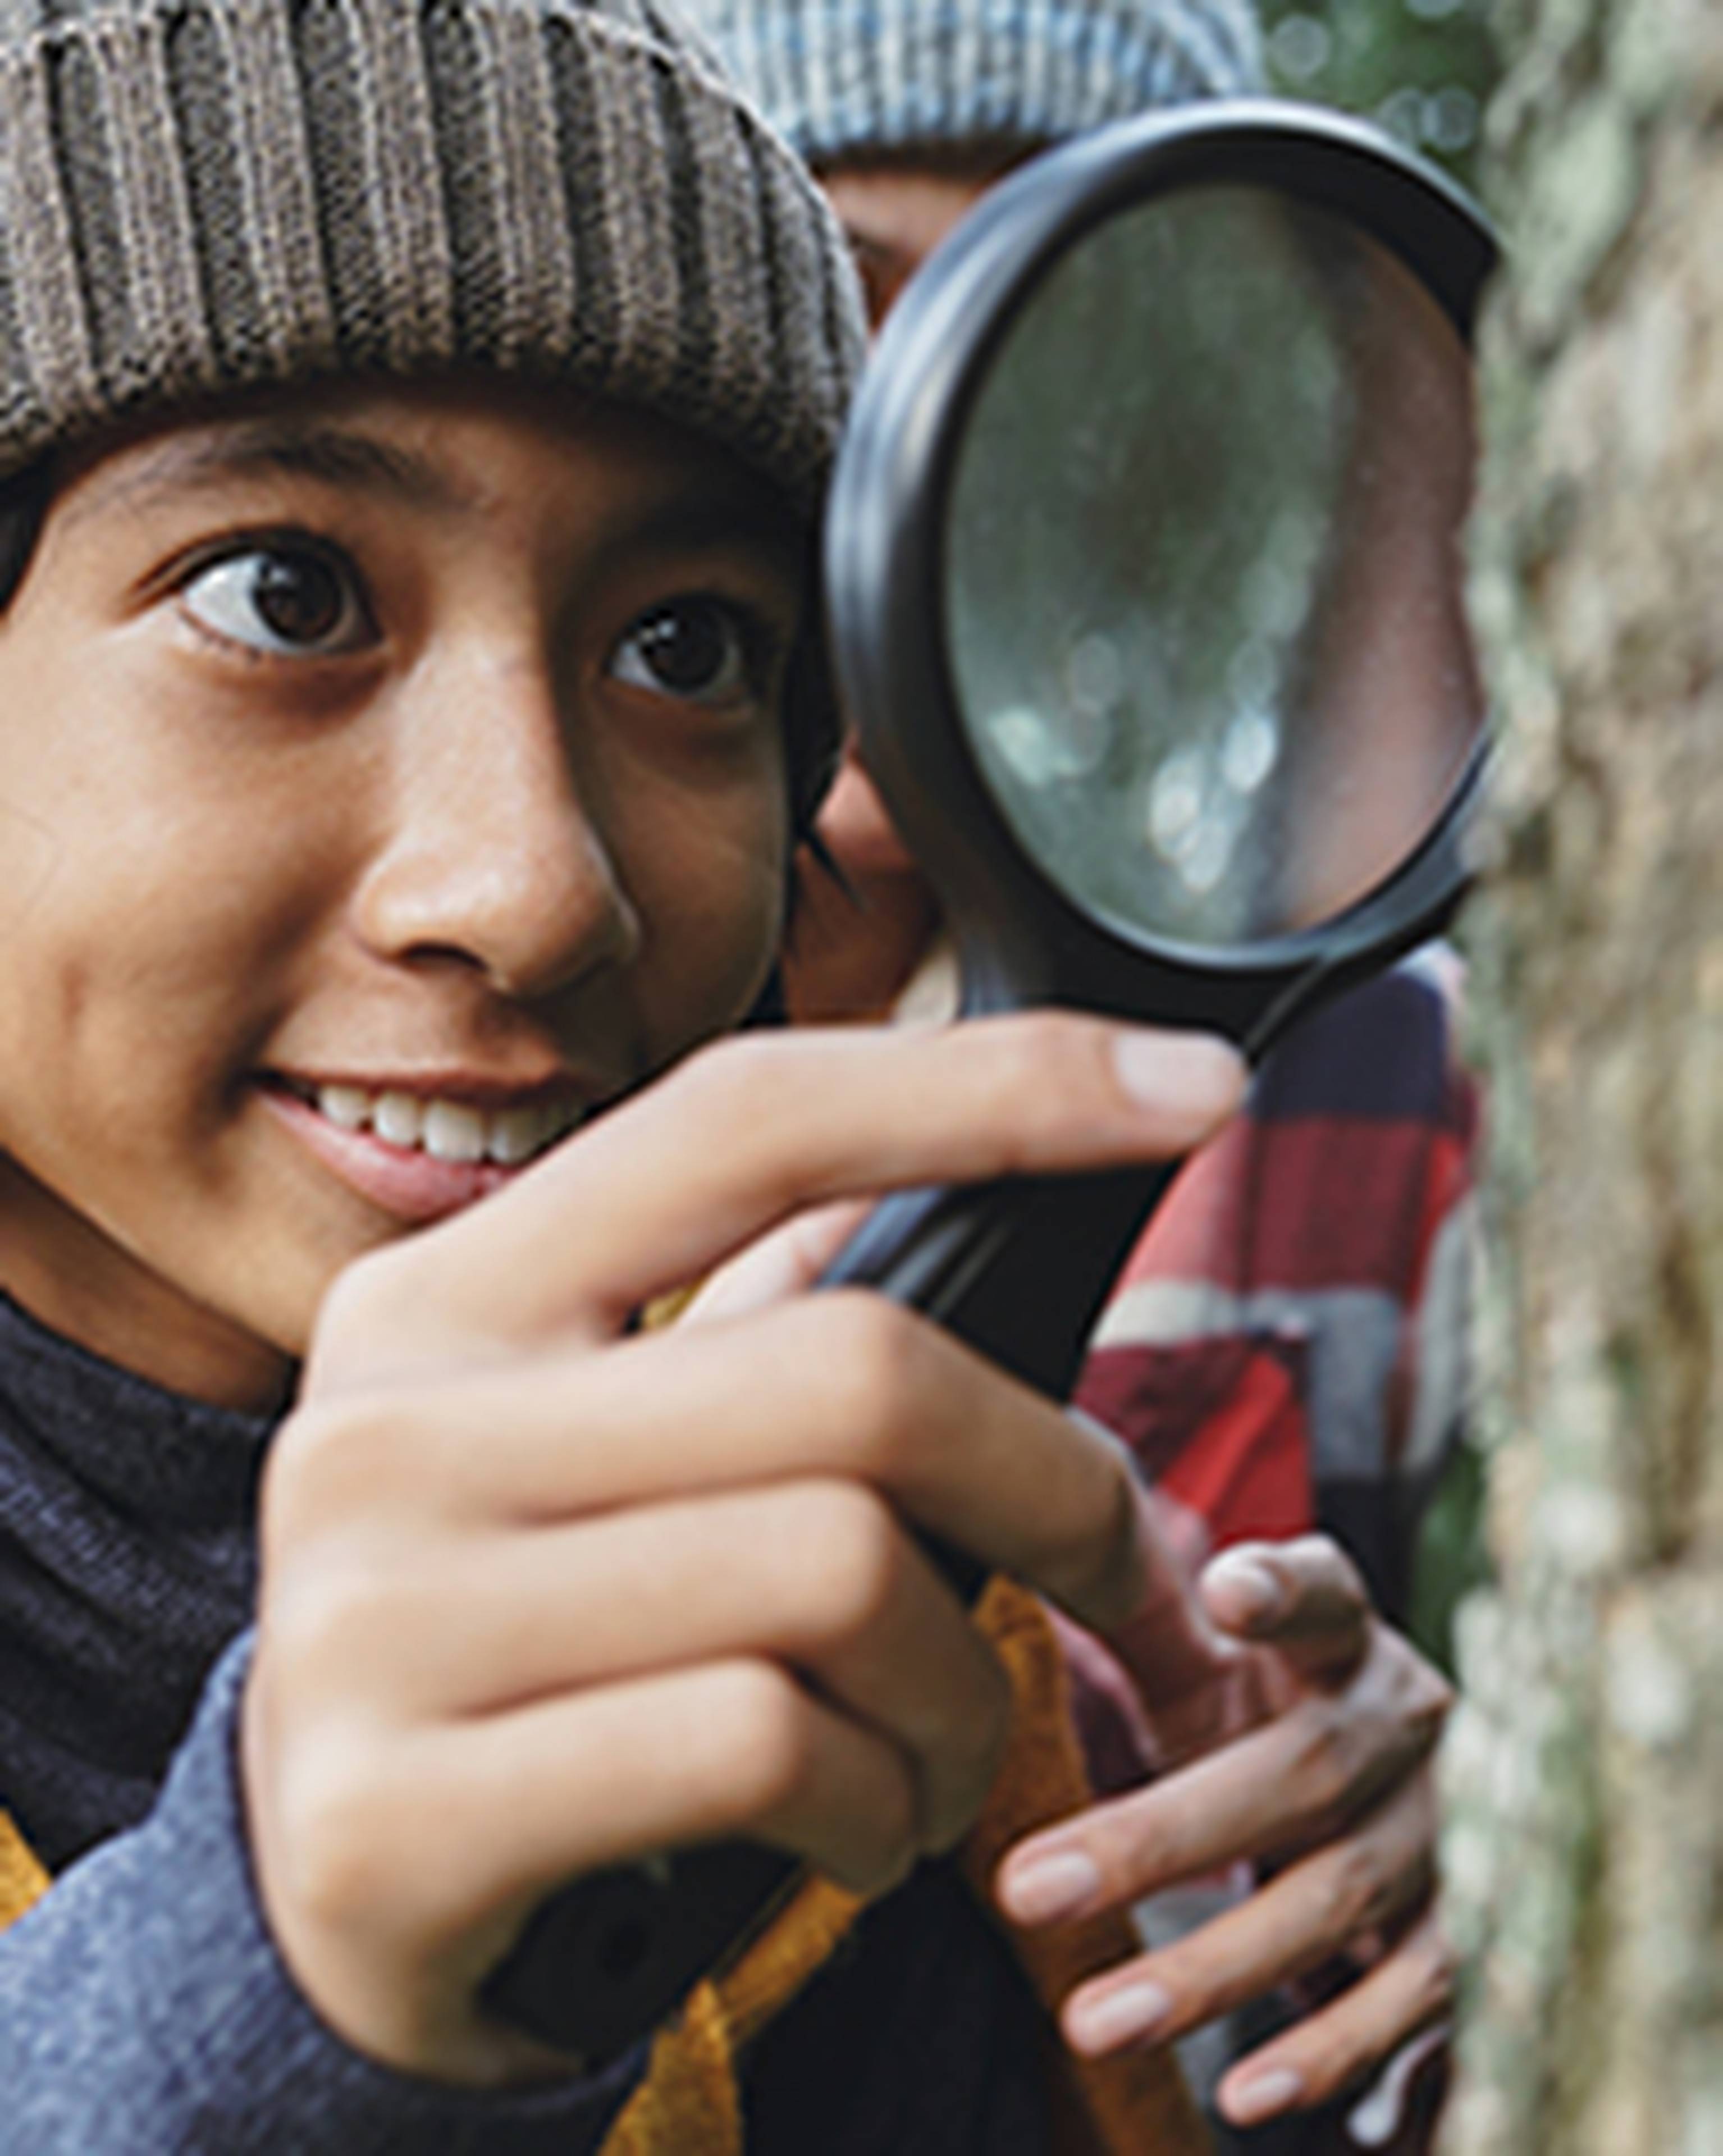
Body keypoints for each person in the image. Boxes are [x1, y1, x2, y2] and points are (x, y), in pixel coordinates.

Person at [0, 0, 1452, 2149]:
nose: (540, 882)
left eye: (687, 646)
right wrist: (257, 1988)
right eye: (285, 593)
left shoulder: (944, 1636)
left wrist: (1379, 1996)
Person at [692, 0, 1475, 2142]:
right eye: (841, 321)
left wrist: (1434, 1855)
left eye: (1056, 340)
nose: (931, 449)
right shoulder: (465, 1018)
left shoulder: (1370, 1083)